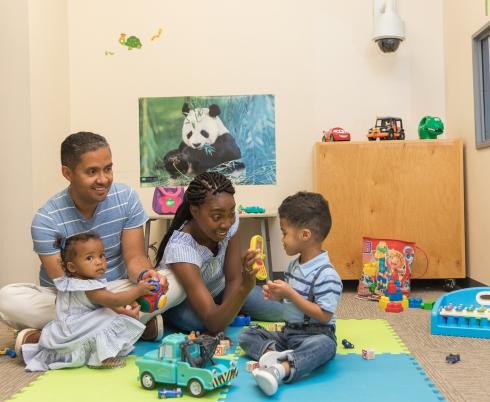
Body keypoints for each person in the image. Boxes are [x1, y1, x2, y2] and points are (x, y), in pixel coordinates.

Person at [0, 132, 184, 355]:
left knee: (178, 279)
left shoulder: (126, 198)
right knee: (8, 298)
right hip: (69, 299)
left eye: (108, 168)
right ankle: (132, 326)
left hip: (118, 287)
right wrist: (114, 303)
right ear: (67, 173)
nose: (104, 179)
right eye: (92, 172)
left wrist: (146, 276)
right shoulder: (47, 220)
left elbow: (135, 257)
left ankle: (52, 337)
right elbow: (68, 283)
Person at [238, 191, 342, 396]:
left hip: (316, 334)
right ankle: (276, 356)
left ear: (305, 235)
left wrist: (291, 294)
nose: (282, 239)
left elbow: (324, 315)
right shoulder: (294, 265)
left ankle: (279, 370)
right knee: (247, 335)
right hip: (289, 334)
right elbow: (290, 300)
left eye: (285, 233)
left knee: (324, 347)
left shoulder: (327, 274)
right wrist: (278, 295)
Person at [155, 171, 283, 333]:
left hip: (218, 290)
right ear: (195, 211)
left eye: (231, 213)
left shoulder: (229, 222)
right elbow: (214, 324)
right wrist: (243, 290)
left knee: (278, 311)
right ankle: (160, 320)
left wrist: (229, 308)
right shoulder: (181, 249)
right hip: (184, 300)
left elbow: (233, 278)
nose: (226, 223)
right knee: (203, 326)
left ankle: (221, 309)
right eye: (217, 217)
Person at [23, 233, 154, 371]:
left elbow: (104, 302)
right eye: (89, 258)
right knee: (108, 318)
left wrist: (121, 310)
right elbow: (114, 300)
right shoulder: (89, 287)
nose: (99, 262)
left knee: (109, 313)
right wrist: (138, 290)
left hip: (64, 330)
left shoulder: (68, 283)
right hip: (76, 330)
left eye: (101, 255)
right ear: (72, 267)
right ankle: (103, 357)